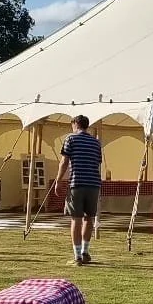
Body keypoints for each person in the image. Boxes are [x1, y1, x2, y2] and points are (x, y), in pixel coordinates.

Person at [59, 114, 102, 266]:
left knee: (76, 219)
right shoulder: (96, 143)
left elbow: (64, 162)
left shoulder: (70, 139)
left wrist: (58, 180)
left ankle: (77, 256)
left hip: (77, 183)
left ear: (75, 124)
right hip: (94, 184)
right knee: (89, 218)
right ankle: (85, 252)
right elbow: (97, 163)